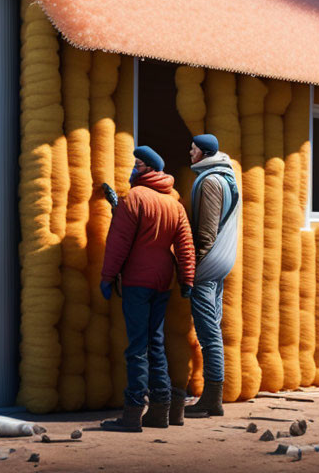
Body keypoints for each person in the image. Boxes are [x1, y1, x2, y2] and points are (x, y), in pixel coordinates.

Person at [99, 145, 196, 432]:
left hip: (137, 282)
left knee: (137, 347)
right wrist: (186, 280)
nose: (133, 169)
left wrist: (107, 277)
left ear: (148, 169)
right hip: (162, 282)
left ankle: (131, 414)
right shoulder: (174, 204)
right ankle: (160, 409)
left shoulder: (135, 198)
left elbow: (119, 243)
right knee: (156, 343)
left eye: (137, 164)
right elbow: (185, 246)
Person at [185, 133, 240, 418]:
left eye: (193, 150)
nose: (190, 153)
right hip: (220, 261)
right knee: (212, 327)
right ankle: (212, 396)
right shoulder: (225, 177)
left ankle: (211, 398)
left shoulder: (210, 182)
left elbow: (206, 231)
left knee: (208, 332)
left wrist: (194, 268)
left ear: (204, 152)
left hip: (207, 265)